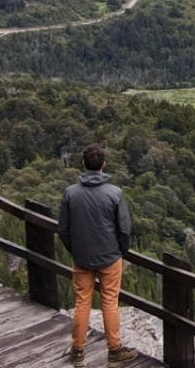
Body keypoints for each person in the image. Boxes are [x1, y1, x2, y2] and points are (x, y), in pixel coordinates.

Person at [57, 144, 138, 367]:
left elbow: (63, 229)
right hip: (110, 257)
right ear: (103, 165)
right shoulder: (115, 193)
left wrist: (76, 250)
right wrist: (121, 252)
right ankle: (114, 351)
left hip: (82, 258)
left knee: (82, 302)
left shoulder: (70, 193)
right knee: (110, 302)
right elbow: (124, 229)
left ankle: (78, 351)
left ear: (83, 164)